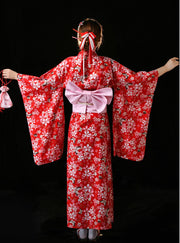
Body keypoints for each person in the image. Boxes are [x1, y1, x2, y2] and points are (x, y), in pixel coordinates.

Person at [2, 18, 179, 241]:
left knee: (77, 175)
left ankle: (80, 226)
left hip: (77, 126)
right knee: (98, 173)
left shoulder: (68, 64)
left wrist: (17, 76)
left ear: (77, 39)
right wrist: (165, 68)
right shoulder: (108, 64)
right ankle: (95, 226)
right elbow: (135, 81)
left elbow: (44, 84)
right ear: (101, 39)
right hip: (99, 126)